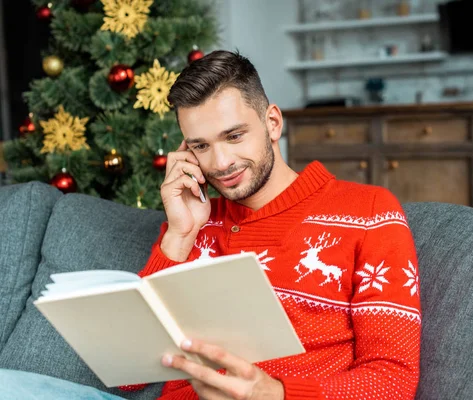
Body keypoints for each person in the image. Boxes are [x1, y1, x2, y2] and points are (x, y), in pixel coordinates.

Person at [116, 49, 422, 400]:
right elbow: (129, 375)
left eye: (234, 136)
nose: (221, 162)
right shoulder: (191, 222)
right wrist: (180, 235)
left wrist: (276, 394)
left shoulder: (368, 212)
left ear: (273, 123)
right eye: (201, 145)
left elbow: (393, 381)